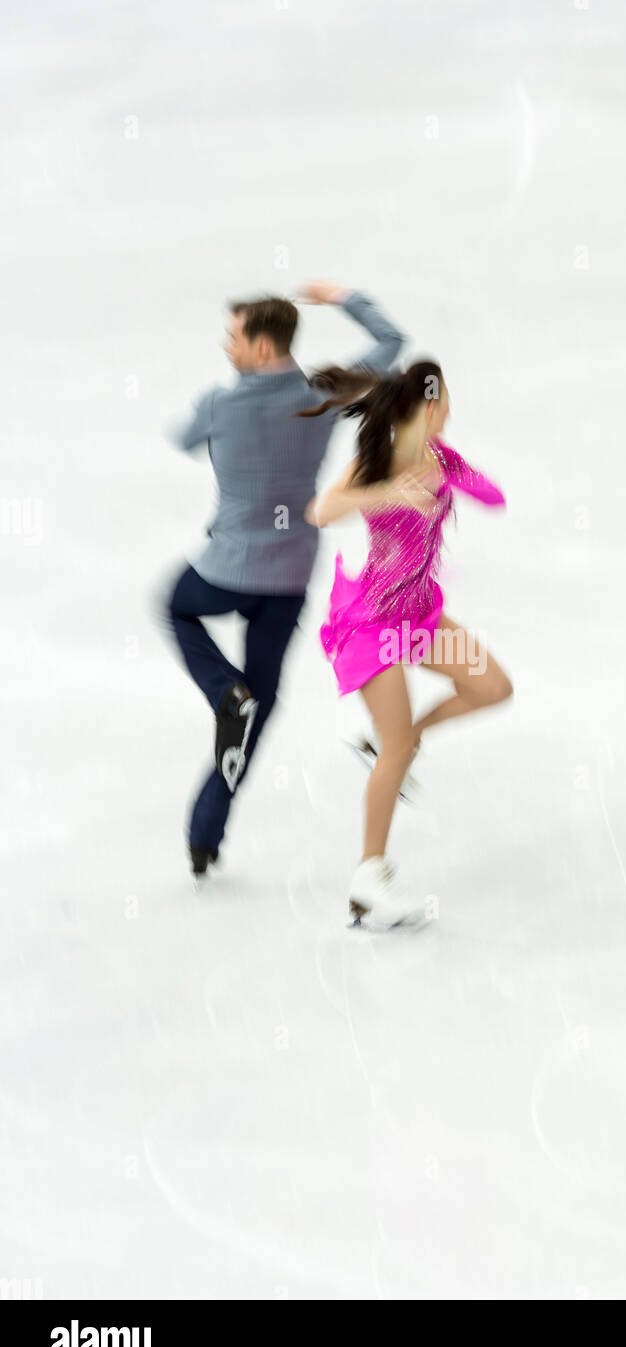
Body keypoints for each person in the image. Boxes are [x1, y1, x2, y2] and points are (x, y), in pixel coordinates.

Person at [166, 280, 405, 878]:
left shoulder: (221, 405)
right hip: (291, 574)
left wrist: (219, 404)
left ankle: (225, 691)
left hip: (227, 570)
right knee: (262, 704)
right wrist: (345, 296)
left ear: (264, 346)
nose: (227, 347)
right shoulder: (323, 393)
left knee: (176, 605)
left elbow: (184, 438)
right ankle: (205, 837)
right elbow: (392, 340)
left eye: (235, 337)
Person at [302, 360, 513, 928]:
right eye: (444, 400)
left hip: (418, 618)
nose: (449, 409)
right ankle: (369, 877)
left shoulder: (441, 459)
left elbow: (492, 496)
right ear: (425, 407)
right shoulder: (377, 462)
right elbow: (319, 513)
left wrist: (453, 477)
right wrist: (387, 492)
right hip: (371, 625)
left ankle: (402, 741)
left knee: (492, 686)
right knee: (393, 749)